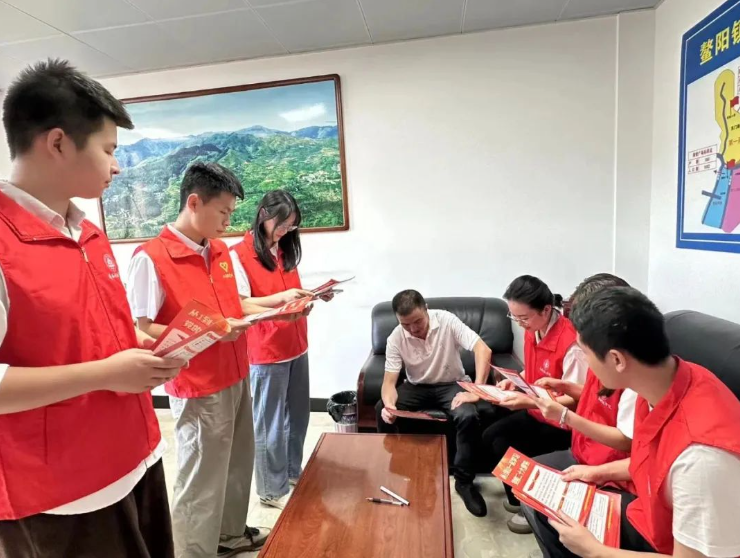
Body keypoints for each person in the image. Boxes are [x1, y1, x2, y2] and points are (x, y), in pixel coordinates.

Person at [0, 59, 186, 557]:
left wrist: (147, 346)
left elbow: (94, 331)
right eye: (109, 150)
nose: (116, 166)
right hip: (59, 493)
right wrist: (107, 373)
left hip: (136, 457)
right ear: (58, 143)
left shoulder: (87, 233)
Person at [532, 287, 740, 558]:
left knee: (564, 529)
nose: (586, 364)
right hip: (650, 515)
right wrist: (598, 473)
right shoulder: (664, 383)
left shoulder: (701, 458)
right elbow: (655, 463)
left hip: (670, 543)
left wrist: (596, 551)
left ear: (617, 359)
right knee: (547, 506)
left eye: (586, 353)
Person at [126, 162, 269, 557]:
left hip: (236, 371)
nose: (228, 220)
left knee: (238, 462)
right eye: (222, 211)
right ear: (194, 202)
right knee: (201, 474)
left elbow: (234, 306)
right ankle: (193, 551)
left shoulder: (219, 251)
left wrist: (277, 308)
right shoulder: (152, 257)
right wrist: (214, 330)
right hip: (198, 383)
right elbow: (141, 328)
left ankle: (228, 535)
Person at [521, 274, 638, 546]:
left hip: (610, 469)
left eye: (584, 350)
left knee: (545, 506)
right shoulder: (606, 357)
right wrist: (567, 386)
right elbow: (598, 395)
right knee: (528, 486)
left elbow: (629, 442)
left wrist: (565, 416)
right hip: (585, 452)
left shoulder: (633, 378)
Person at [230, 190, 323, 510]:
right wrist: (282, 301)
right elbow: (241, 305)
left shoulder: (284, 251)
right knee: (269, 423)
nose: (285, 231)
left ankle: (291, 473)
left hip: (296, 344)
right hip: (266, 351)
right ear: (263, 216)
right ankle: (271, 489)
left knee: (297, 417)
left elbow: (288, 295)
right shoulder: (238, 255)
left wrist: (307, 298)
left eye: (291, 226)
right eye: (281, 225)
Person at [482, 275, 588, 533]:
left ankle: (530, 506)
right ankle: (519, 500)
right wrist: (515, 382)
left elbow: (576, 398)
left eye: (523, 318)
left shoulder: (571, 343)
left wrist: (527, 401)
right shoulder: (534, 330)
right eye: (514, 317)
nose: (519, 324)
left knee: (508, 443)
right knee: (491, 437)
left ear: (546, 309)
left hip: (561, 422)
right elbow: (534, 372)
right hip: (537, 410)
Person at [375, 289, 494, 517]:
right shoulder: (395, 337)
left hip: (452, 383)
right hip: (417, 386)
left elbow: (483, 349)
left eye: (417, 321)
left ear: (426, 309)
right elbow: (389, 382)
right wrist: (390, 405)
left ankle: (464, 482)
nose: (413, 329)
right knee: (383, 409)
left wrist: (477, 390)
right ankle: (400, 471)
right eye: (405, 324)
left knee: (467, 415)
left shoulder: (447, 320)